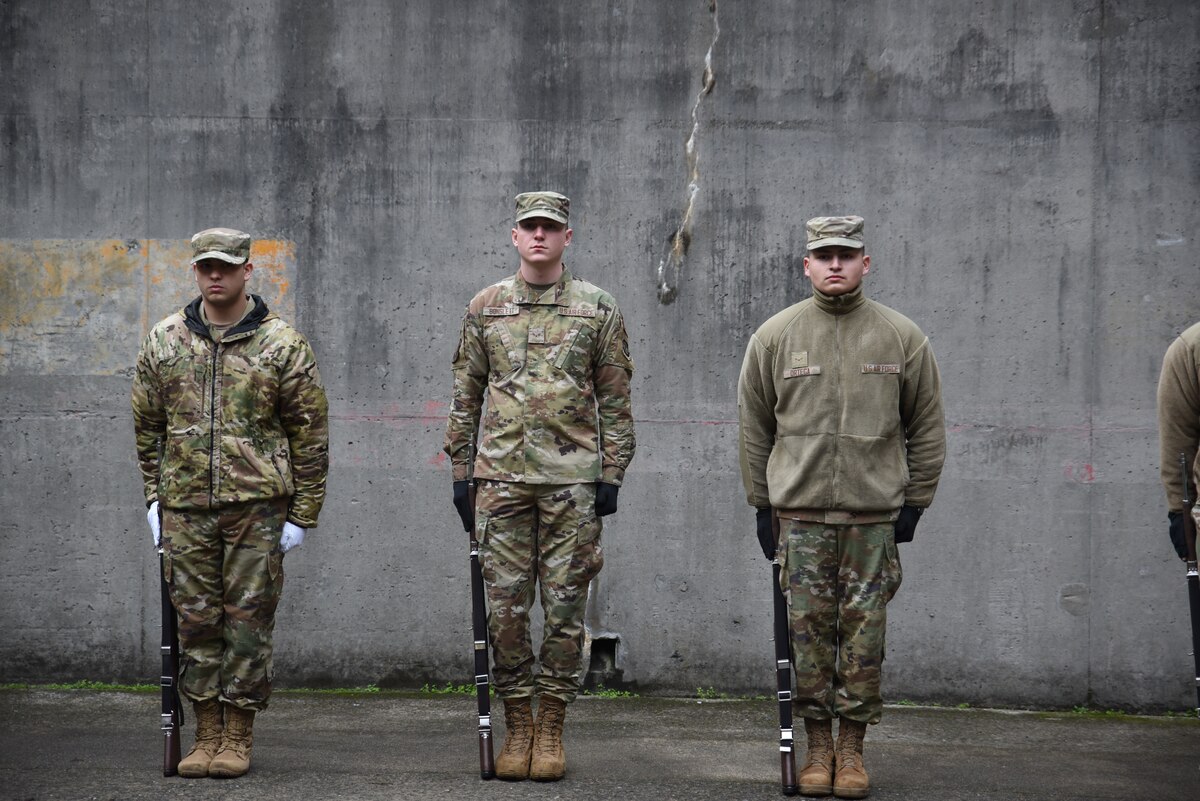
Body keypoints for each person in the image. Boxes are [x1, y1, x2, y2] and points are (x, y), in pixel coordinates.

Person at [737, 216, 945, 799]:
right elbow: (754, 428)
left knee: (863, 643)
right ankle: (817, 748)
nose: (835, 264)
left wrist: (915, 502)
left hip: (870, 523)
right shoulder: (774, 337)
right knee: (806, 641)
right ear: (806, 264)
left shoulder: (901, 337)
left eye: (846, 255)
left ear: (865, 263)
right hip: (799, 523)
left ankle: (852, 750)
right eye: (823, 255)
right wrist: (762, 504)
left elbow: (925, 426)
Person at [444, 191, 635, 782]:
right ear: (514, 234)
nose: (539, 236)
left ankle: (550, 725)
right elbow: (466, 395)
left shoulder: (597, 308)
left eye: (550, 228)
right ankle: (518, 722)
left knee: (564, 611)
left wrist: (611, 473)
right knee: (503, 610)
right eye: (529, 226)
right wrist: (460, 473)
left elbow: (616, 401)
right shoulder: (486, 307)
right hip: (500, 482)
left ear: (566, 237)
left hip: (571, 486)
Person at [132, 228, 329, 779]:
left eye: (225, 266)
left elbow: (309, 434)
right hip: (185, 506)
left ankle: (237, 732)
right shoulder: (165, 340)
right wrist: (155, 496)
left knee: (247, 624)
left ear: (247, 271)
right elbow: (148, 426)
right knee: (195, 623)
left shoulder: (281, 343)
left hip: (257, 510)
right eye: (204, 267)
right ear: (195, 272)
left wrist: (302, 515)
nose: (214, 275)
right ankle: (206, 731)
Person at [1157, 320, 1200, 559]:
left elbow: (1177, 437)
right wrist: (1179, 514)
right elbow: (1178, 440)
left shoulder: (1190, 346)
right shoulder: (1190, 348)